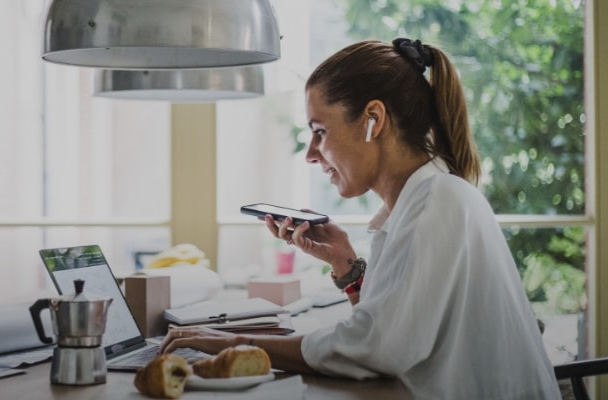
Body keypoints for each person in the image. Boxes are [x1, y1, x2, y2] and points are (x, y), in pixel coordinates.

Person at [159, 38, 561, 399]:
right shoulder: (421, 200)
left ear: (374, 119)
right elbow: (387, 328)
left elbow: (377, 348)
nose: (311, 154)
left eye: (320, 131)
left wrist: (232, 344)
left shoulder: (438, 201)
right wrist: (346, 266)